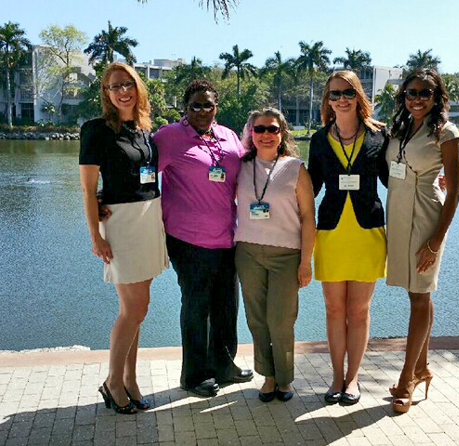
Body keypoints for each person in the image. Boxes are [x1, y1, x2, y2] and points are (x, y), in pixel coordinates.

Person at [153, 80, 253, 397]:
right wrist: (106, 196)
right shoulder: (168, 137)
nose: (202, 111)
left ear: (216, 106)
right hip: (188, 239)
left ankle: (224, 365)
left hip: (227, 237)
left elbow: (246, 176)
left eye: (208, 104)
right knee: (197, 306)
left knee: (226, 306)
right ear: (185, 107)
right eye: (195, 105)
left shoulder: (228, 135)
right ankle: (194, 375)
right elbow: (140, 171)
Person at [79, 62, 168, 414]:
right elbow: (88, 190)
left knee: (135, 312)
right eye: (115, 86)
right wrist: (95, 236)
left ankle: (130, 380)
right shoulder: (96, 130)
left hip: (148, 221)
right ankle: (112, 382)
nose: (122, 91)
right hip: (121, 224)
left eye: (128, 84)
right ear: (106, 92)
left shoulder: (146, 130)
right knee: (135, 309)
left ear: (138, 88)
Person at [307, 71, 388, 405]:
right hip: (331, 234)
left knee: (359, 311)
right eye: (334, 94)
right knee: (333, 309)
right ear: (327, 100)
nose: (341, 99)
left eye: (347, 92)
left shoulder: (379, 137)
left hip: (368, 233)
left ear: (358, 96)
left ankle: (353, 379)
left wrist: (430, 186)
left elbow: (394, 180)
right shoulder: (319, 139)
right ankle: (336, 378)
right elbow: (309, 187)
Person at [385, 68, 459, 413]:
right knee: (417, 292)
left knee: (420, 295)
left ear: (436, 97)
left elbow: (455, 189)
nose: (417, 99)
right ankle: (422, 367)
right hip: (399, 215)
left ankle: (407, 380)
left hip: (427, 216)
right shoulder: (399, 128)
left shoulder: (445, 132)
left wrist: (436, 239)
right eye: (411, 93)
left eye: (424, 93)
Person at [235, 108, 315, 403]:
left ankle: (285, 378)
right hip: (248, 252)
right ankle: (268, 376)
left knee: (281, 321)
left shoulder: (295, 168)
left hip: (286, 255)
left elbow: (308, 217)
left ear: (282, 134)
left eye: (272, 129)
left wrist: (306, 261)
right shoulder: (239, 167)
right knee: (257, 320)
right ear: (251, 133)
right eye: (260, 129)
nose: (266, 134)